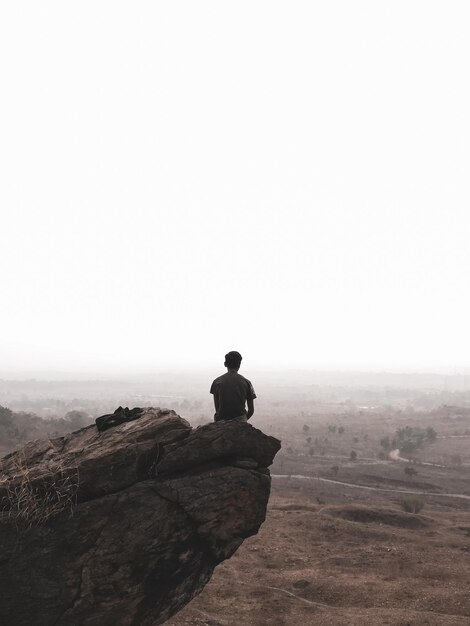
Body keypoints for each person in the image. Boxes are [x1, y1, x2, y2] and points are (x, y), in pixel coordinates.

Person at [210, 351, 256, 422]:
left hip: (221, 423)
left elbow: (218, 409)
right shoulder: (246, 382)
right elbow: (251, 411)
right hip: (240, 421)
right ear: (239, 365)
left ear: (225, 364)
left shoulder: (217, 382)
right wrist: (241, 420)